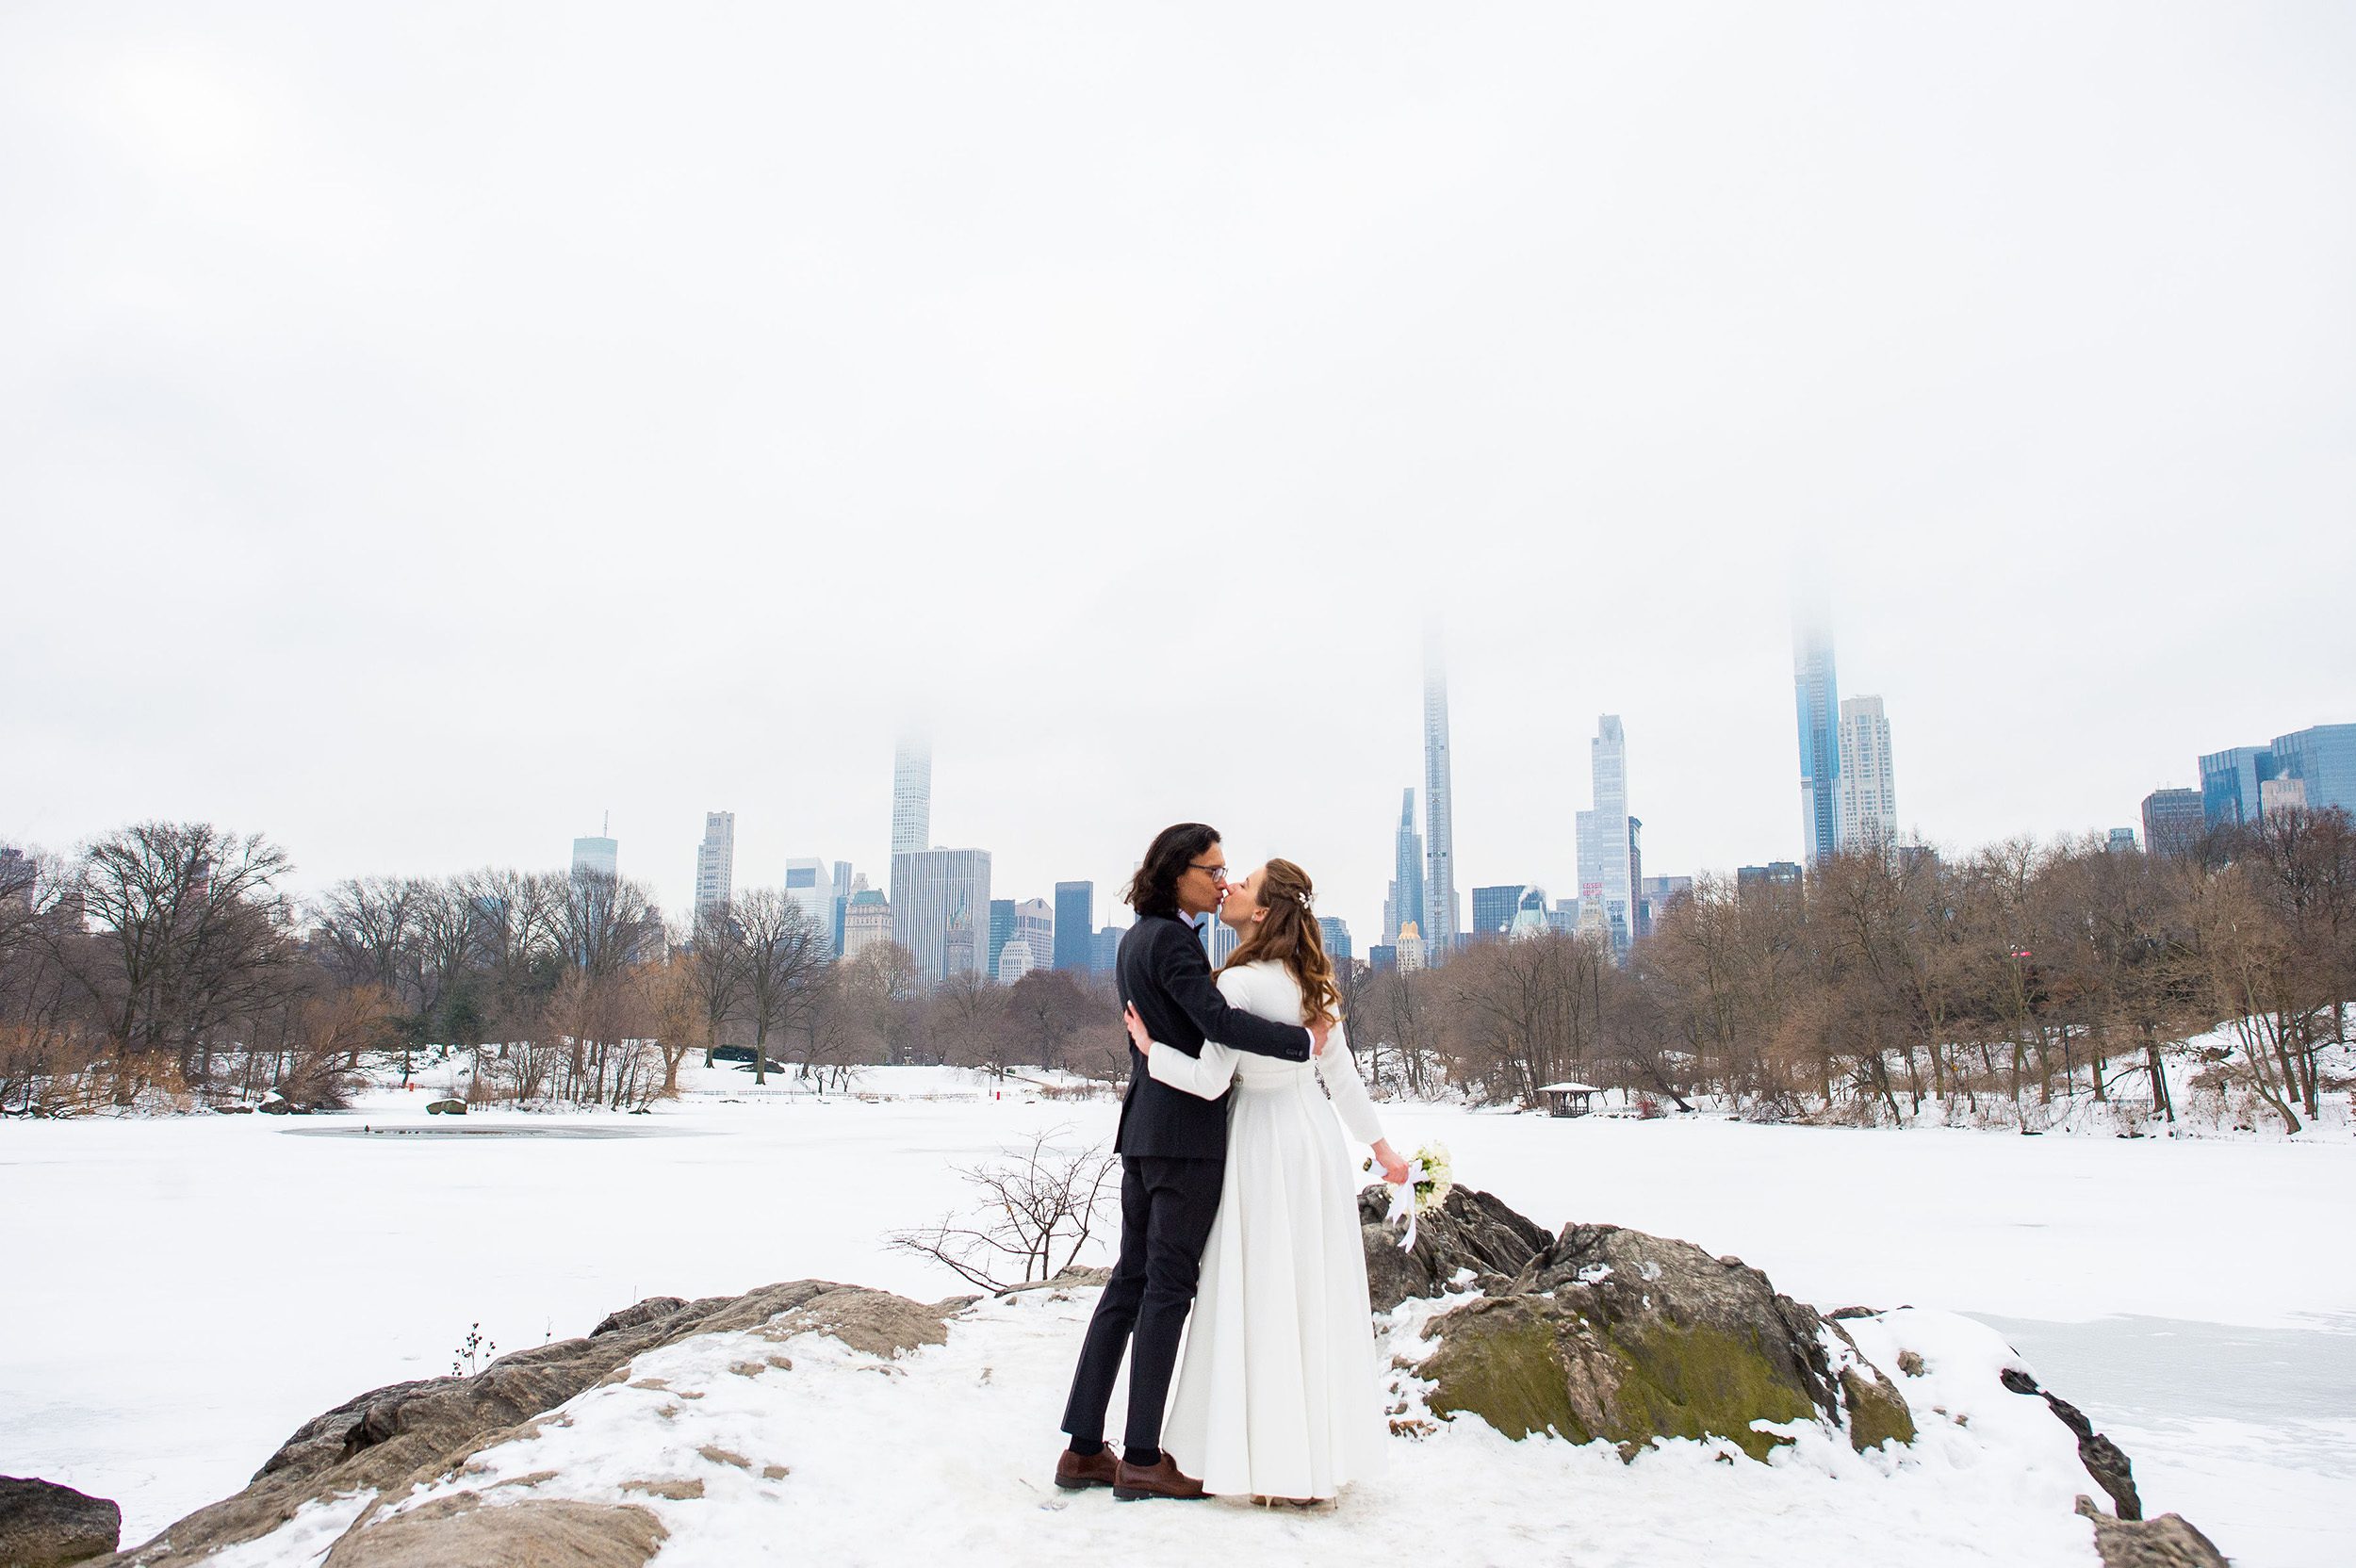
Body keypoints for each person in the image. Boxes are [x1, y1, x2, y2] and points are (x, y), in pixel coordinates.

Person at [1056, 825, 1333, 1501]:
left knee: (1130, 1282)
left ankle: (1084, 1449)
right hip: (1184, 1137)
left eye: (1226, 871)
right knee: (1167, 1290)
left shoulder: (1134, 939)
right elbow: (1219, 1023)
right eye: (1212, 870)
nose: (1222, 881)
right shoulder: (1175, 942)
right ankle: (1143, 1458)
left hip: (1144, 1132)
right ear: (1177, 872)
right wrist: (1303, 1043)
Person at [1120, 857, 1409, 1503]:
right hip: (1315, 1142)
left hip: (1259, 1142)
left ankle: (1262, 1460)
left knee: (1260, 1291)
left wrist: (1151, 1051)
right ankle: (1310, 1464)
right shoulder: (1314, 983)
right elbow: (1342, 1079)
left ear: (1261, 911)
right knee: (1310, 1292)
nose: (1229, 885)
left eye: (1244, 883)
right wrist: (1382, 1149)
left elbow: (1210, 1080)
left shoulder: (1238, 984)